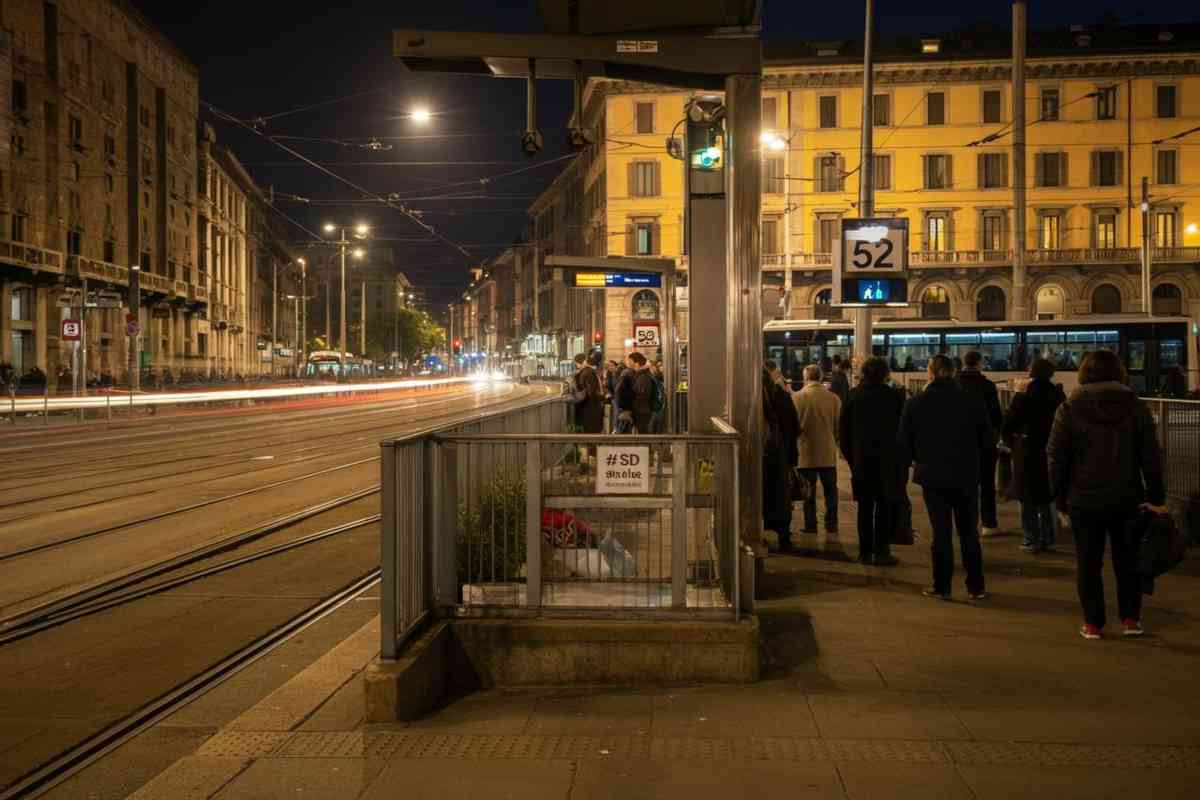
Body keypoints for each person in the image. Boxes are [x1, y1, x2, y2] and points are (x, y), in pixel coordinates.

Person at [1047, 350, 1166, 640]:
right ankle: (1130, 619)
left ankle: (1093, 623)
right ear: (1119, 372)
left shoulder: (1069, 408)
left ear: (1084, 373)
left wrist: (1059, 498)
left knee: (1088, 562)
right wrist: (1156, 497)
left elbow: (1057, 457)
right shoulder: (1136, 407)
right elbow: (1150, 455)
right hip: (1127, 496)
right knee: (1127, 560)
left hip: (1083, 497)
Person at [898, 354, 991, 601]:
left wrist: (915, 461)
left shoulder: (916, 403)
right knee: (969, 533)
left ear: (930, 372)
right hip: (966, 475)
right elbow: (986, 440)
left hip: (933, 476)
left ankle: (942, 586)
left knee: (941, 533)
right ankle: (976, 586)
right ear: (954, 372)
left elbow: (904, 443)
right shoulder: (972, 400)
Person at [839, 356, 905, 566]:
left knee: (864, 509)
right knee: (884, 507)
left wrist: (852, 458)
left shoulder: (853, 395)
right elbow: (903, 431)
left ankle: (865, 552)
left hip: (861, 462)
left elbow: (843, 433)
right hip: (888, 462)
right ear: (885, 374)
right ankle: (882, 551)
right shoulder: (894, 396)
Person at [1001, 359, 1064, 554]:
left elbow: (1008, 424)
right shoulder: (1058, 395)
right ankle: (1049, 538)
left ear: (1032, 372)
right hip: (1051, 449)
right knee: (1047, 494)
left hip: (1026, 449)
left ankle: (1031, 539)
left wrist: (1012, 443)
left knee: (1026, 495)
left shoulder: (1023, 396)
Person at [956, 350, 1003, 537]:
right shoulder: (987, 386)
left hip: (960, 443)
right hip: (984, 443)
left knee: (964, 485)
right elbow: (996, 416)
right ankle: (988, 524)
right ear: (979, 364)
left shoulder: (955, 385)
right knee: (987, 484)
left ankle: (966, 523)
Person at [793, 363, 841, 535]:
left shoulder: (797, 397)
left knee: (808, 492)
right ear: (820, 377)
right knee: (830, 491)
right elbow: (838, 426)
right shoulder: (833, 398)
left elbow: (793, 425)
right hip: (827, 451)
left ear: (805, 377)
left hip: (805, 452)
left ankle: (810, 524)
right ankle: (831, 523)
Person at [762, 367, 794, 551]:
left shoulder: (748, 398)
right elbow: (794, 427)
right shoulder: (782, 397)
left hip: (758, 456)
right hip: (780, 455)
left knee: (759, 495)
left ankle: (755, 535)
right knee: (780, 496)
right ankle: (784, 537)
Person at [571, 353, 604, 434]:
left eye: (577, 363)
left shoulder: (586, 373)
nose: (576, 365)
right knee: (590, 433)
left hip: (587, 409)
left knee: (588, 433)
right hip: (590, 408)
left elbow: (591, 392)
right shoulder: (589, 372)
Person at [629, 352, 656, 434]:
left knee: (643, 433)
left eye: (630, 361)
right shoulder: (640, 374)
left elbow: (643, 393)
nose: (629, 363)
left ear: (637, 363)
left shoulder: (644, 376)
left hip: (642, 411)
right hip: (640, 410)